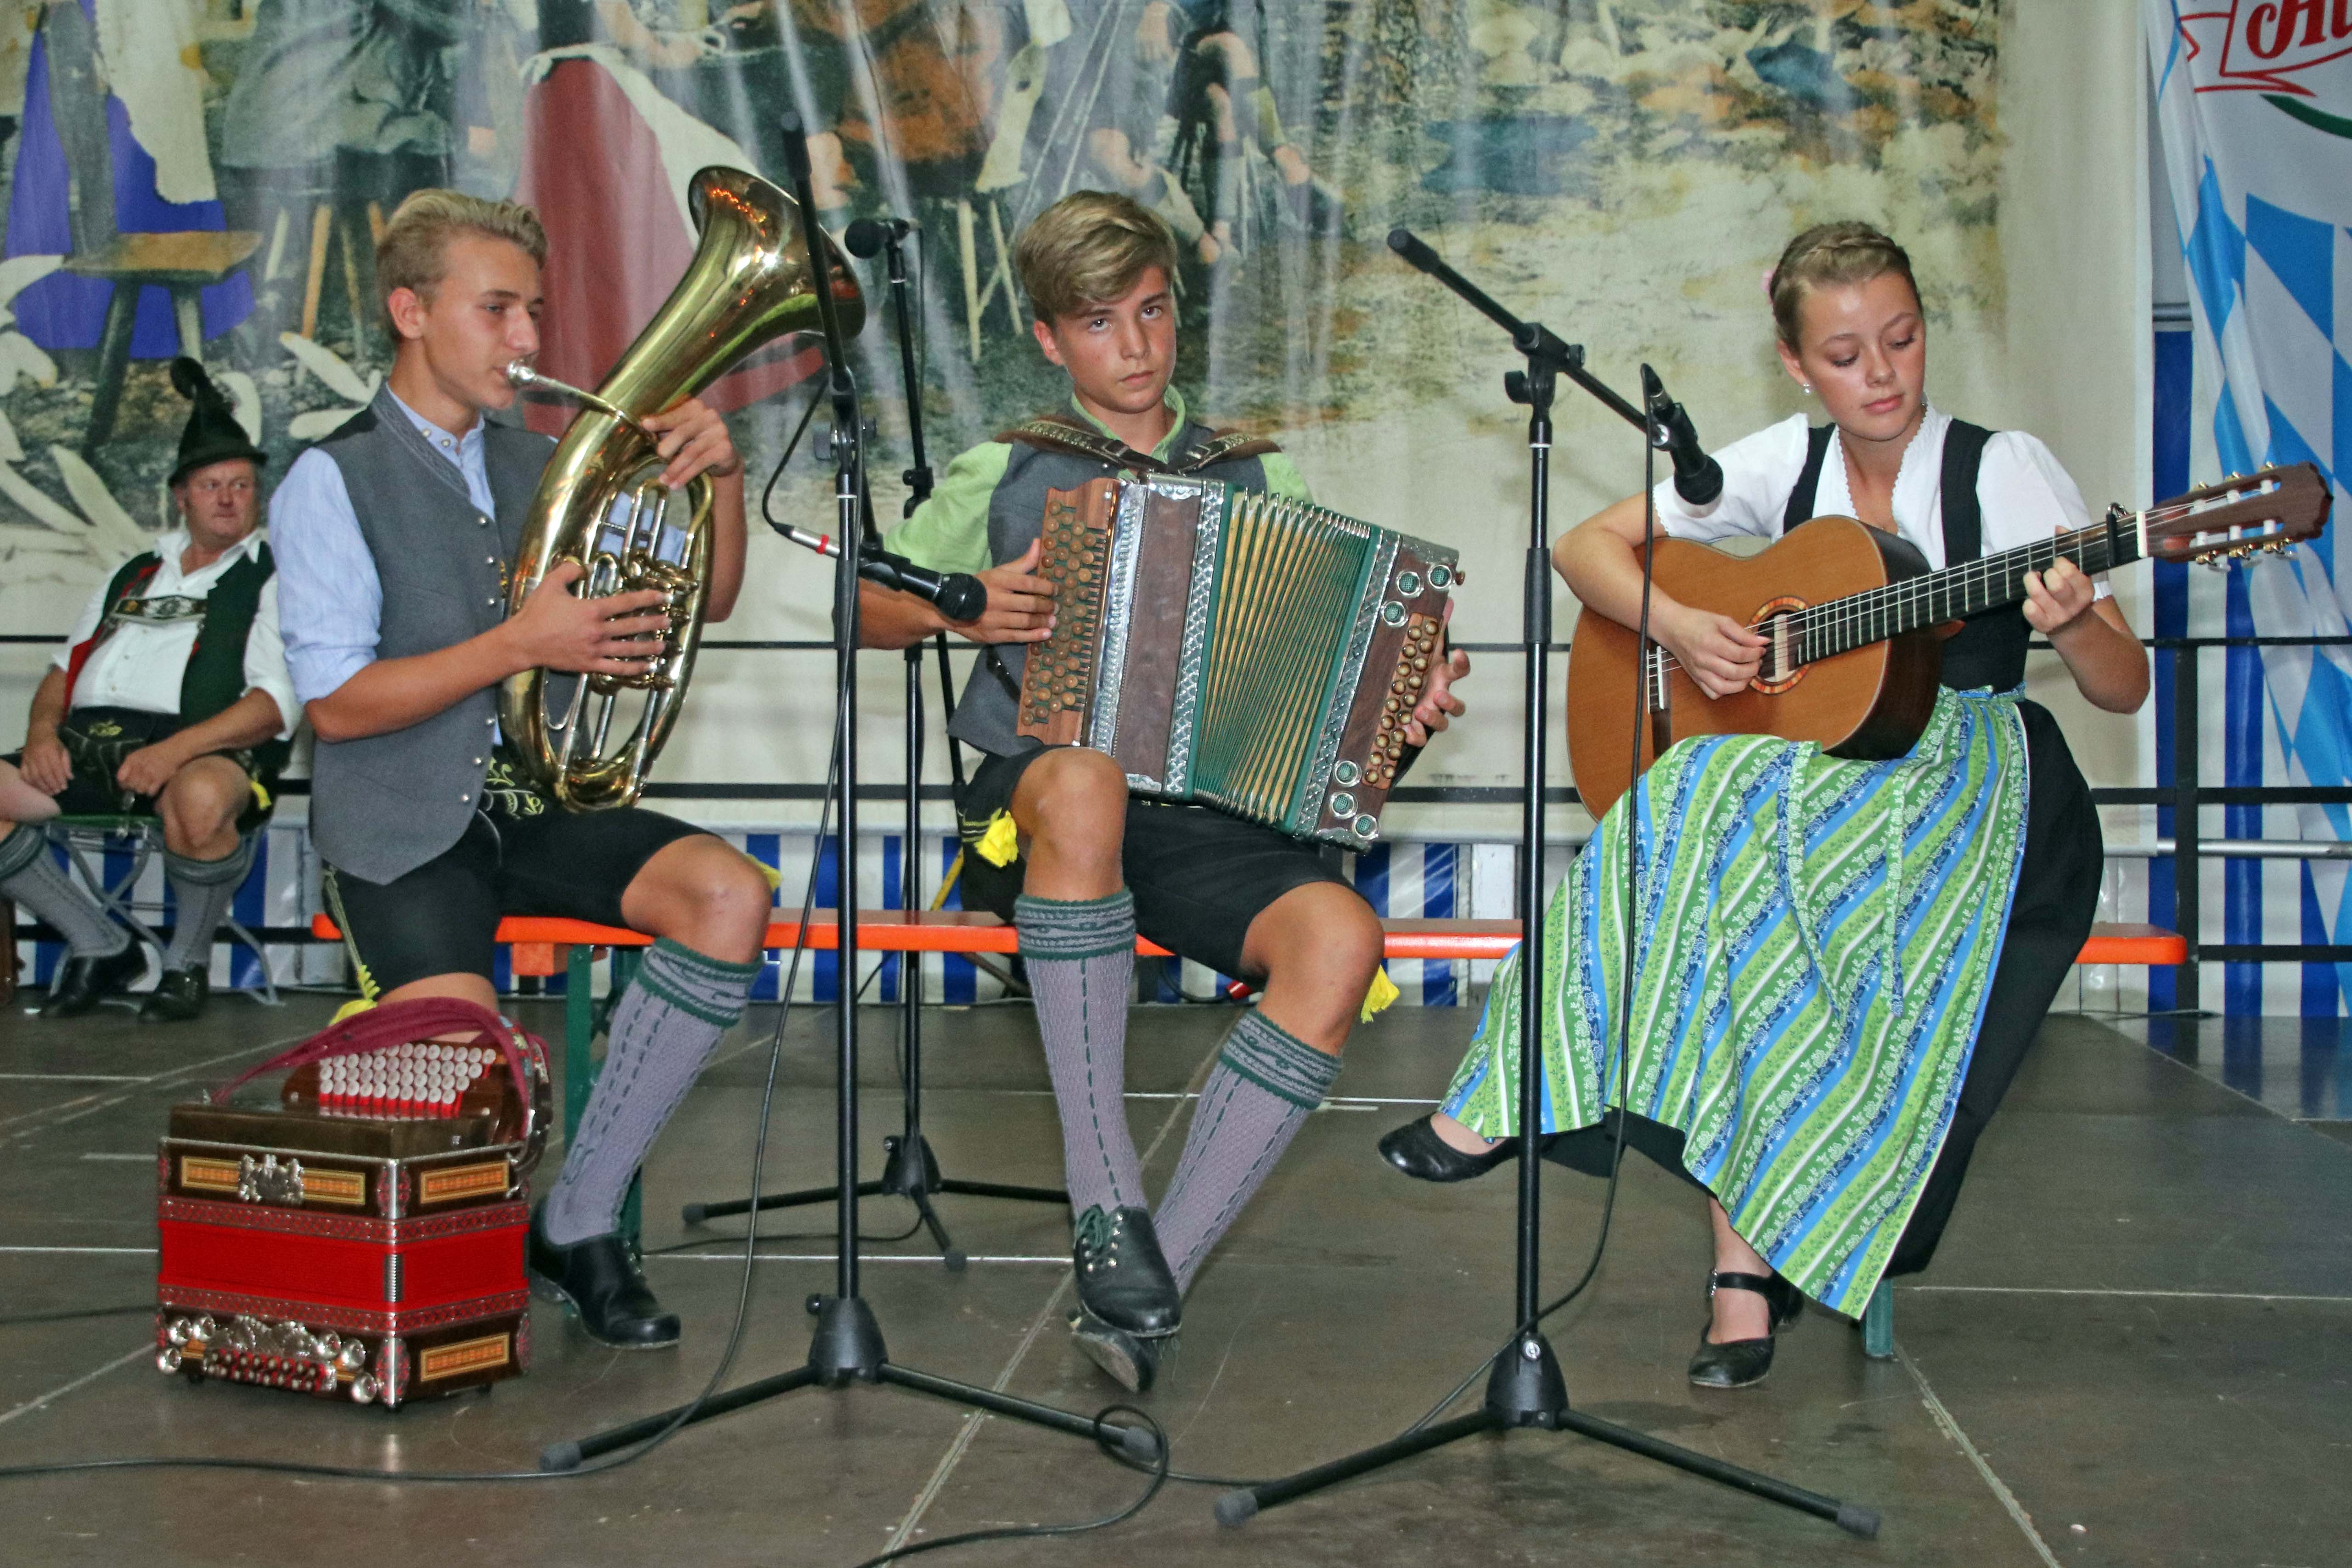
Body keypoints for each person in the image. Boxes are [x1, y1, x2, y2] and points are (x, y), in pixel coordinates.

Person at [1380, 221, 2149, 1389]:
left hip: (1971, 787)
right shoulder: (1784, 462)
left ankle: (1535, 1108)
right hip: (1818, 782)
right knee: (1725, 867)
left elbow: (2120, 684)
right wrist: (1685, 628)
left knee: (1709, 798)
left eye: (1900, 339)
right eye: (1843, 355)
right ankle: (1722, 1260)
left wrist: (2078, 619)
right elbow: (1583, 549)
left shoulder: (1999, 469)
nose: (1880, 373)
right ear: (1795, 365)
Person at [860, 190, 1469, 1392]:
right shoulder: (1006, 466)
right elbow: (865, 608)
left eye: (1149, 312)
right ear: (1049, 338)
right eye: (1098, 323)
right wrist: (964, 606)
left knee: (1339, 938)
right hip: (1033, 803)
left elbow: (1335, 632)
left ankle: (1144, 1292)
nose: (1133, 347)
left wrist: (1406, 685)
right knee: (1086, 777)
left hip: (1203, 816)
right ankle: (1104, 1196)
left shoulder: (1254, 471)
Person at [270, 189, 771, 1352]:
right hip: (402, 822)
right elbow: (337, 707)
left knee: (728, 894)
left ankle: (579, 1218)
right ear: (410, 312)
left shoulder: (548, 458)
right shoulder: (331, 478)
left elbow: (709, 600)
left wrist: (722, 481)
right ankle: (456, 1259)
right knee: (465, 1055)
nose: (529, 338)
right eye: (496, 310)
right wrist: (519, 644)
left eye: (532, 311)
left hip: (535, 801)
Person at [0, 359, 293, 1023]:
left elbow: (273, 707)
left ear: (258, 496)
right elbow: (62, 672)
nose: (228, 499)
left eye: (242, 485)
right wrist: (42, 733)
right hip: (91, 747)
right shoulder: (132, 572)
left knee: (198, 797)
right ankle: (100, 945)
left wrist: (174, 752)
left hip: (207, 751)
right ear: (182, 497)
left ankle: (186, 964)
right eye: (211, 485)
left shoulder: (276, 577)